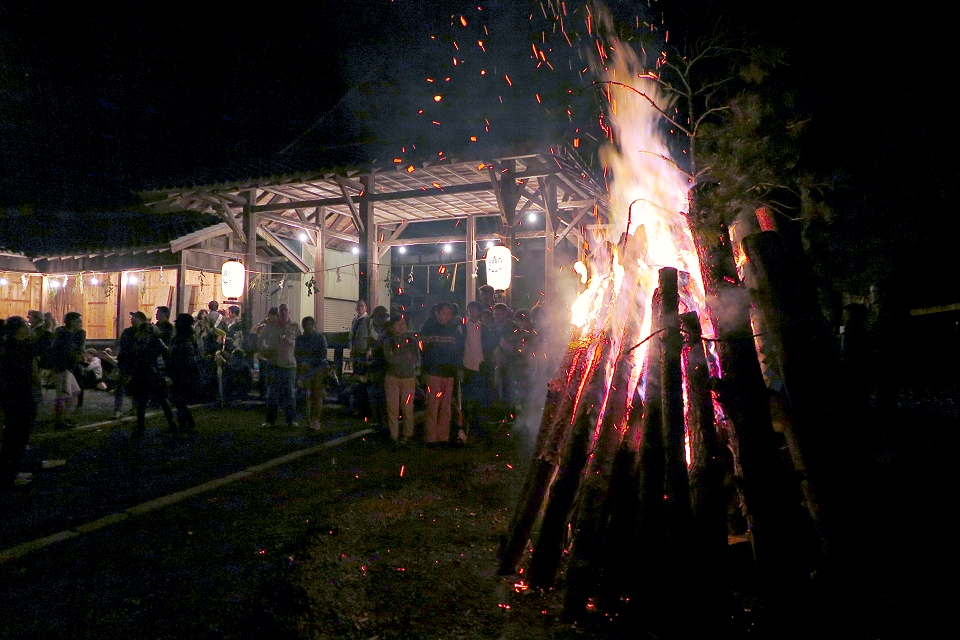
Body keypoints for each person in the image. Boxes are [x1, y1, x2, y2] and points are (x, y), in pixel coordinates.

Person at [0, 316, 52, 491]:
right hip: (19, 398)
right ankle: (9, 476)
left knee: (15, 437)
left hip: (14, 397)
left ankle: (13, 472)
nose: (28, 327)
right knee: (16, 438)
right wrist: (48, 328)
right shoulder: (17, 346)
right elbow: (41, 347)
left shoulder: (11, 344)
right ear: (19, 330)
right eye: (25, 325)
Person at [419, 302, 463, 446]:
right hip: (434, 372)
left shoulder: (454, 330)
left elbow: (458, 351)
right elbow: (423, 351)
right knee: (433, 404)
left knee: (446, 406)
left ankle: (443, 436)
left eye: (449, 314)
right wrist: (424, 370)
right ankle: (431, 437)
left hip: (449, 373)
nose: (446, 316)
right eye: (443, 313)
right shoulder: (428, 327)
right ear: (437, 313)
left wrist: (458, 368)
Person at [128, 321, 178, 435]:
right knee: (162, 400)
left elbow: (135, 355)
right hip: (154, 373)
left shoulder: (139, 341)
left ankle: (141, 427)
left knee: (142, 402)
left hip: (144, 374)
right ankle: (172, 424)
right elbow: (167, 352)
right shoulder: (156, 341)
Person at [257, 303, 301, 428]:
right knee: (272, 393)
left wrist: (292, 343)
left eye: (285, 310)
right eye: (281, 310)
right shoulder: (270, 326)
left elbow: (301, 342)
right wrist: (264, 351)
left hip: (289, 365)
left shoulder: (294, 326)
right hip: (274, 364)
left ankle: (291, 420)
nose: (283, 312)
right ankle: (270, 420)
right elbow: (260, 339)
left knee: (290, 394)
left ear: (289, 312)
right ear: (278, 312)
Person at [383, 317, 418, 444]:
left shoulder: (412, 341)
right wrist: (405, 356)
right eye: (398, 323)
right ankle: (394, 436)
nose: (401, 326)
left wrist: (397, 355)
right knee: (392, 408)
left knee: (407, 408)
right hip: (392, 378)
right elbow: (390, 359)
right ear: (392, 326)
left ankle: (408, 434)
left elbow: (415, 358)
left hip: (408, 378)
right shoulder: (388, 341)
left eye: (403, 323)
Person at [49, 311, 86, 428]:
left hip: (67, 368)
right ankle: (60, 420)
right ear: (71, 322)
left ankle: (66, 417)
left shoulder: (73, 334)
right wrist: (75, 357)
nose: (81, 324)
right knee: (63, 395)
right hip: (61, 368)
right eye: (78, 321)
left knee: (74, 391)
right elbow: (62, 352)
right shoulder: (64, 334)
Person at [168, 313, 201, 434]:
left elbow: (178, 354)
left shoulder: (182, 339)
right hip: (187, 371)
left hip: (181, 371)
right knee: (180, 400)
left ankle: (183, 426)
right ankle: (189, 422)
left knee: (179, 399)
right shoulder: (191, 337)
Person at [295, 316, 328, 430]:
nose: (308, 326)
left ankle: (314, 420)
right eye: (306, 324)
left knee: (315, 395)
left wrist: (306, 363)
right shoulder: (303, 338)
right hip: (309, 368)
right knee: (309, 396)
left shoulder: (319, 338)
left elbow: (322, 354)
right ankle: (311, 420)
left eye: (310, 324)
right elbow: (297, 354)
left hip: (316, 369)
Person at [114, 311, 147, 420]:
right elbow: (121, 345)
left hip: (138, 363)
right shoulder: (127, 331)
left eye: (134, 317)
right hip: (126, 362)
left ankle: (134, 407)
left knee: (136, 387)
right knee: (120, 386)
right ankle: (118, 409)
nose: (131, 319)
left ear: (140, 319)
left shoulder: (145, 332)